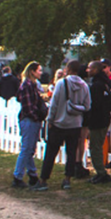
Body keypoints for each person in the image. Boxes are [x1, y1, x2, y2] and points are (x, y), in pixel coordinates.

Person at [34, 59, 90, 192]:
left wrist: (50, 119)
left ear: (68, 69)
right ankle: (67, 179)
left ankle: (43, 180)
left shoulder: (61, 83)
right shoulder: (84, 86)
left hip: (59, 122)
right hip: (75, 124)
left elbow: (54, 103)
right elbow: (87, 105)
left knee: (51, 152)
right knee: (71, 153)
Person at [13, 62, 47, 188]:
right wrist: (37, 116)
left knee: (29, 149)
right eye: (39, 70)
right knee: (27, 148)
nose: (41, 73)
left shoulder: (30, 85)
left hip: (29, 119)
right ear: (32, 71)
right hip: (29, 120)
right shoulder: (28, 85)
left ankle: (32, 174)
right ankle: (18, 176)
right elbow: (28, 107)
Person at [85, 60, 111, 184]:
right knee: (98, 145)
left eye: (90, 68)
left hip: (97, 119)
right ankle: (100, 171)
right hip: (105, 117)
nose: (88, 70)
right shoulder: (107, 82)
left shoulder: (96, 85)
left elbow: (94, 104)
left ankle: (101, 173)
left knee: (95, 147)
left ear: (96, 69)